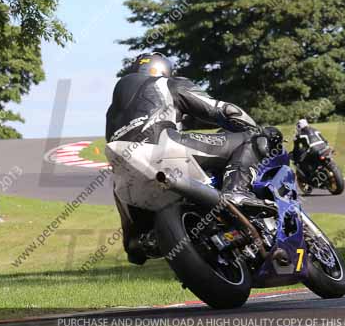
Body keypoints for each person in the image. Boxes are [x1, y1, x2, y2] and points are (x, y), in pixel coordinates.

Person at [105, 52, 279, 264]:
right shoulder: (167, 83)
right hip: (163, 146)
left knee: (122, 192)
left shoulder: (113, 111)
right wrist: (253, 128)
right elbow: (223, 110)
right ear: (163, 69)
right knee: (251, 139)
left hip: (124, 177)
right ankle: (237, 192)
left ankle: (137, 239)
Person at [292, 119, 329, 193]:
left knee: (303, 162)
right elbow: (325, 140)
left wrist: (295, 156)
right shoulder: (315, 130)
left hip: (313, 150)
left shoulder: (299, 134)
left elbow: (296, 148)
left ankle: (311, 177)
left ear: (299, 126)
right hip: (325, 148)